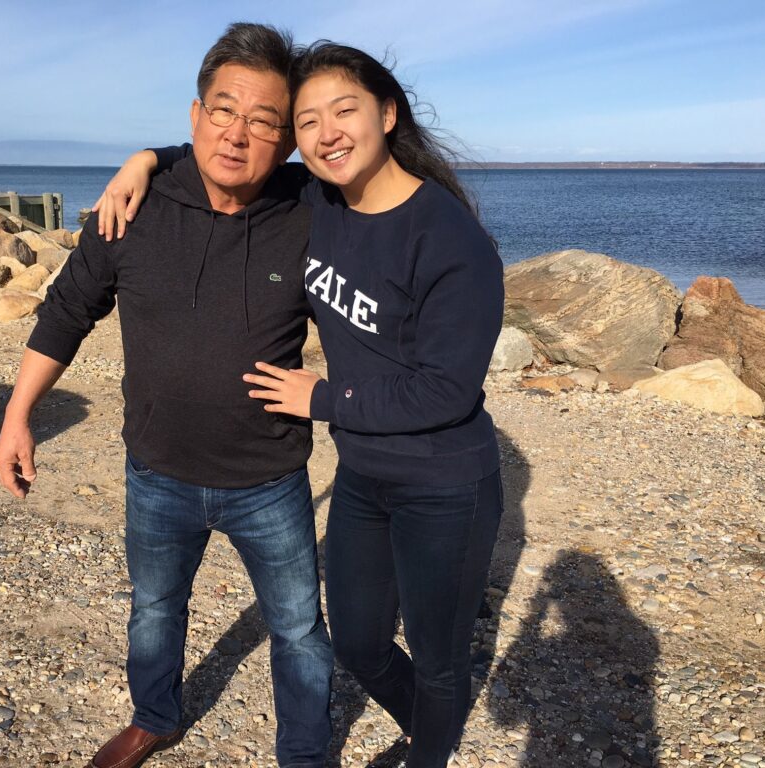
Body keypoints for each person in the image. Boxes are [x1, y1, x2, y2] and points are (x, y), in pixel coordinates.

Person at [96, 41, 504, 768]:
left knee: (439, 663)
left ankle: (429, 748)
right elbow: (229, 149)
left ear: (387, 113)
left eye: (343, 111)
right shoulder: (321, 198)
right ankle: (431, 724)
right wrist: (146, 159)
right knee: (357, 644)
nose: (327, 133)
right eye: (308, 121)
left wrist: (321, 396)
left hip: (445, 482)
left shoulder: (451, 238)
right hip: (362, 474)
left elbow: (449, 388)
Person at [0, 23, 333, 768]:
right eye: (223, 110)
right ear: (194, 115)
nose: (238, 134)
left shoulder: (313, 212)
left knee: (300, 628)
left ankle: (306, 754)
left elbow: (387, 239)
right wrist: (18, 417)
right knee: (153, 608)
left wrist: (341, 398)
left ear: (287, 143)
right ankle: (154, 716)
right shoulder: (133, 208)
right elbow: (66, 312)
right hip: (157, 472)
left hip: (269, 479)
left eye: (264, 121)